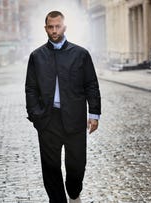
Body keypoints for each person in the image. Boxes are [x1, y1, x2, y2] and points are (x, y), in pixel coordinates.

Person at [25, 11, 101, 203]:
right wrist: (35, 116)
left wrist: (94, 114)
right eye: (50, 27)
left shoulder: (80, 54)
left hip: (74, 119)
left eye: (57, 26)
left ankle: (74, 192)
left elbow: (91, 84)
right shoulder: (37, 56)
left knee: (77, 165)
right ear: (46, 28)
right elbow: (31, 89)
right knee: (50, 167)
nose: (54, 30)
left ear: (64, 27)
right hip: (48, 120)